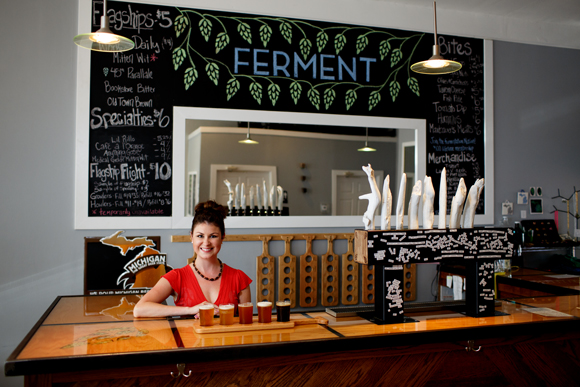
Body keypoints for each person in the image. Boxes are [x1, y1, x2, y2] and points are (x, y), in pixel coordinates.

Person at [134, 200, 252, 318]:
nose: (206, 243)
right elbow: (139, 309)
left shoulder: (239, 278)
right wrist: (190, 310)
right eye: (200, 236)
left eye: (213, 236)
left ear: (222, 238)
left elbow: (247, 326)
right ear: (191, 237)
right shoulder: (177, 276)